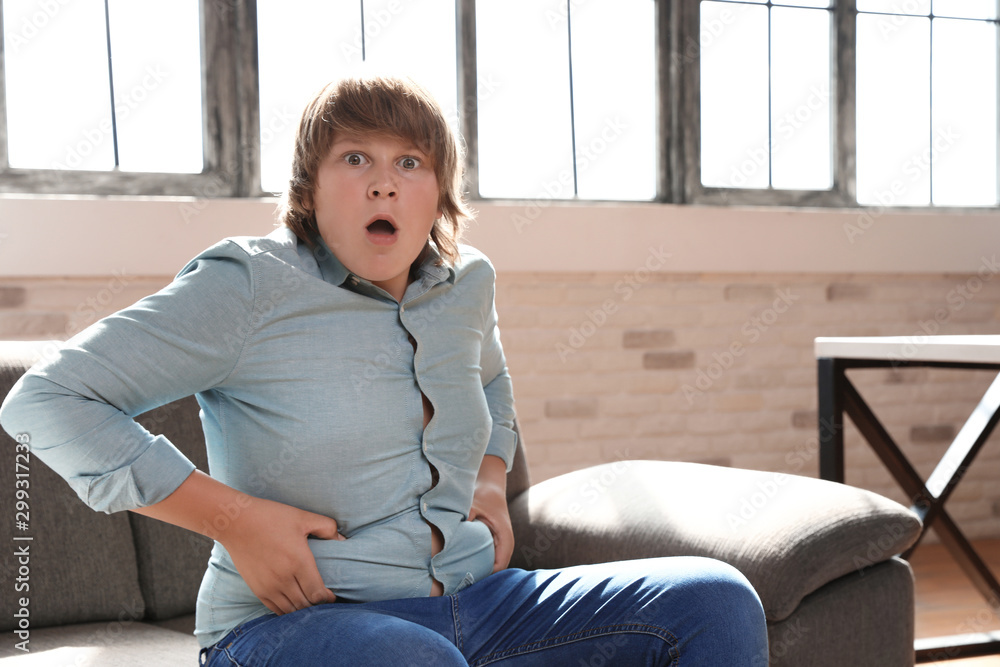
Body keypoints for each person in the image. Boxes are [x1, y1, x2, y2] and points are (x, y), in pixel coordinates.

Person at [0, 75, 768, 665]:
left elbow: (491, 381)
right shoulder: (245, 286)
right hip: (295, 625)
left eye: (411, 162)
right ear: (308, 187)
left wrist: (494, 476)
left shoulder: (465, 286)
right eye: (355, 157)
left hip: (483, 600)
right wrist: (232, 518)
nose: (384, 181)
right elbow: (47, 399)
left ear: (438, 194)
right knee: (412, 658)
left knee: (714, 600)